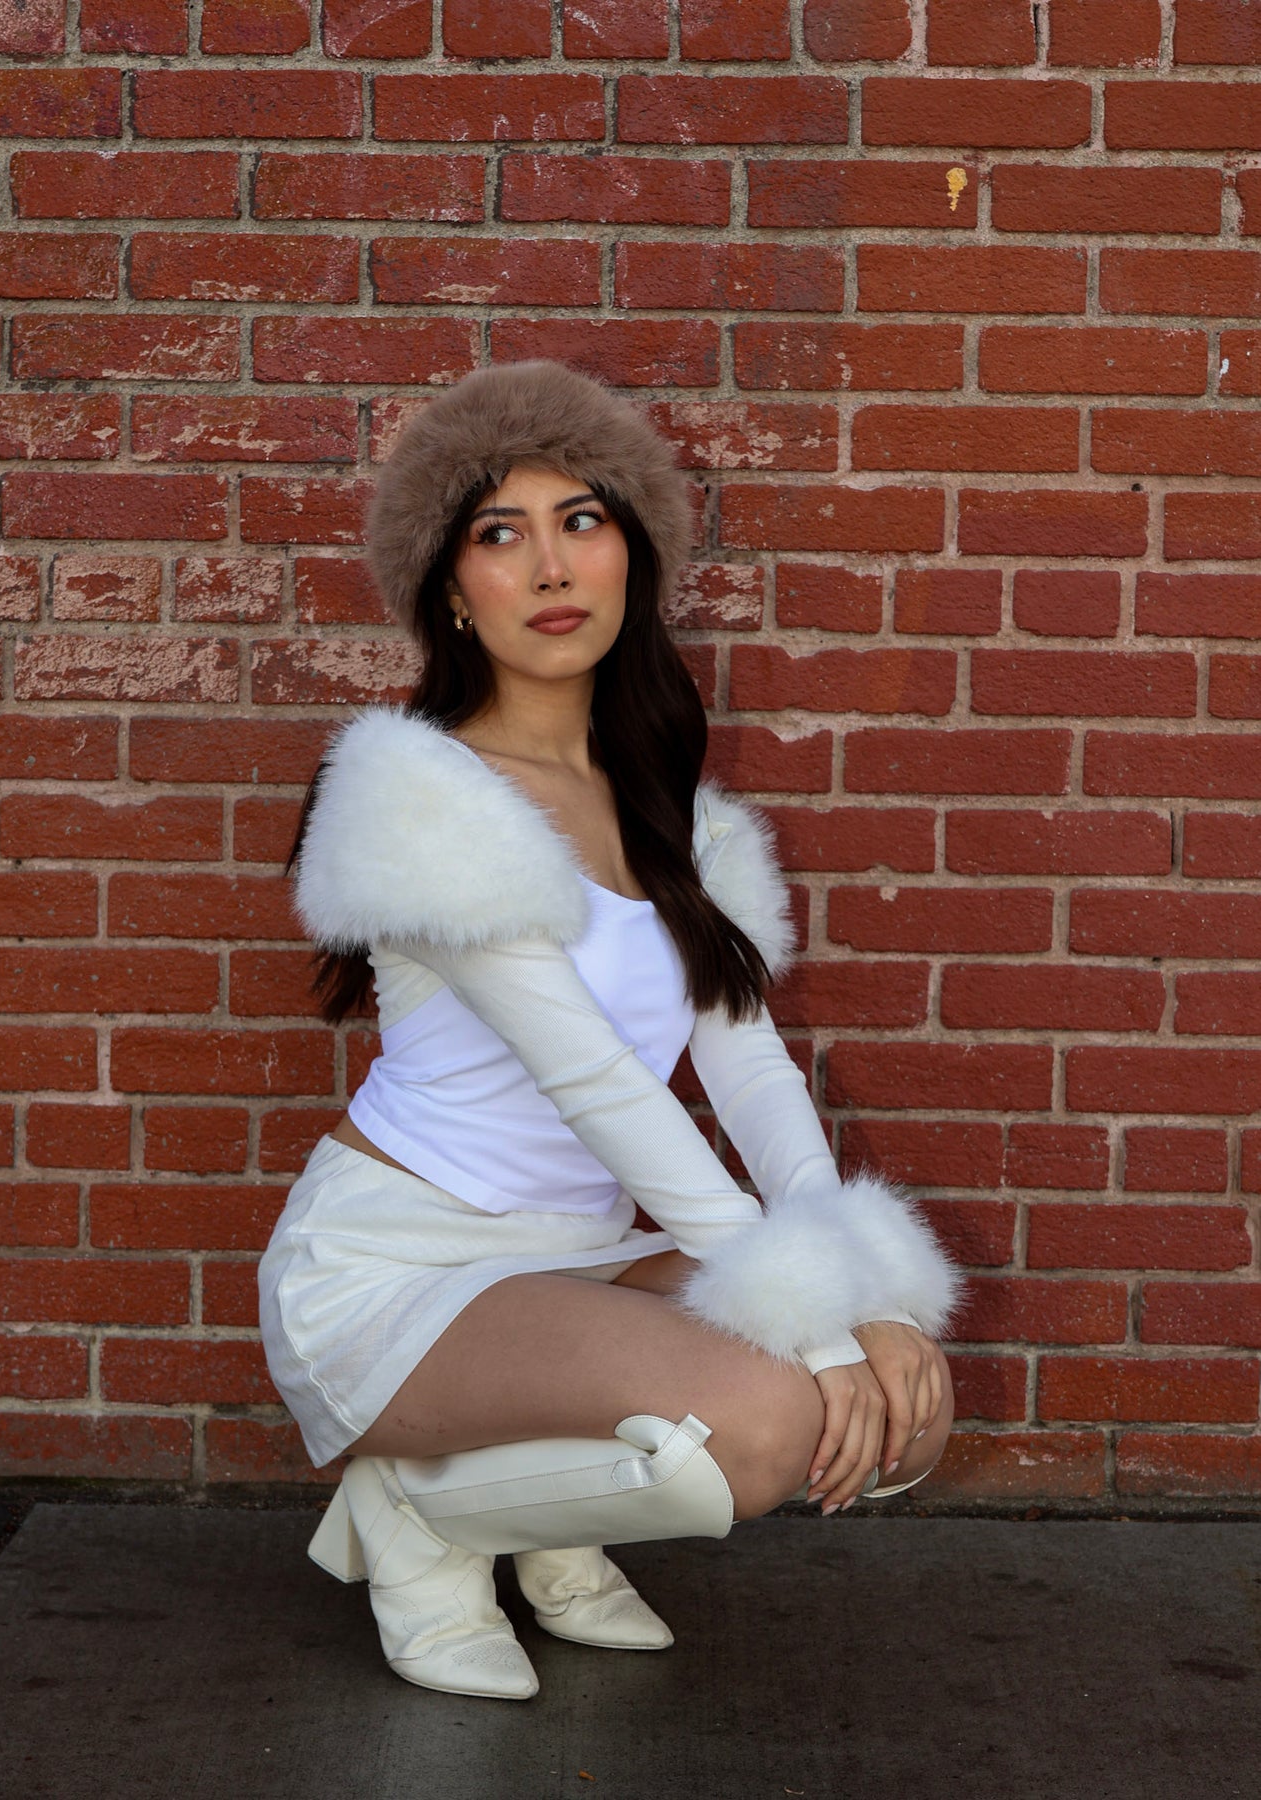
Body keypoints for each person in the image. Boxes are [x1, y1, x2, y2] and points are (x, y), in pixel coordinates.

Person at [257, 359, 962, 1702]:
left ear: (631, 552)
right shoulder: (420, 796)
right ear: (450, 590)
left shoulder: (678, 818)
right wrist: (811, 1326)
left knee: (901, 1410)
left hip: (574, 1260)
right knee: (773, 1425)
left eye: (580, 519)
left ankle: (540, 1519)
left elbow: (749, 1066)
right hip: (399, 1271)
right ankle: (421, 1516)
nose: (549, 565)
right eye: (499, 533)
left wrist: (862, 1292)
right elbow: (597, 1083)